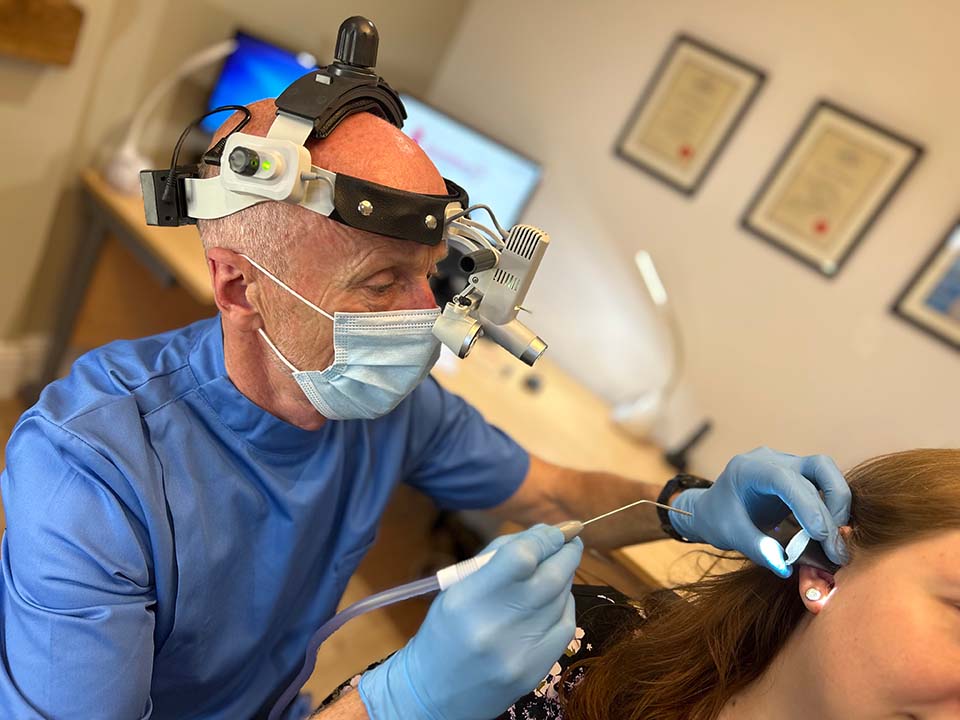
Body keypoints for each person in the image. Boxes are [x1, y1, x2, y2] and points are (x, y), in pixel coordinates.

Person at [0, 98, 850, 720]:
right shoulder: (90, 476)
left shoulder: (390, 409)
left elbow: (548, 495)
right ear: (240, 287)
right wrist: (400, 702)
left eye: (430, 272)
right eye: (380, 283)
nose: (425, 316)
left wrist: (686, 507)